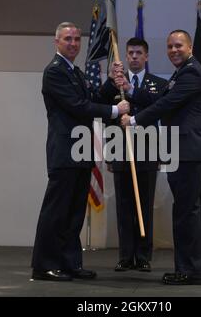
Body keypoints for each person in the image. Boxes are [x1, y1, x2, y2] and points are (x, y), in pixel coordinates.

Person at [31, 22, 129, 282]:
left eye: (76, 39)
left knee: (74, 213)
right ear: (57, 42)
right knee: (56, 211)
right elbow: (77, 106)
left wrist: (111, 81)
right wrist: (114, 111)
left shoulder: (74, 71)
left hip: (81, 150)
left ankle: (69, 262)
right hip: (65, 151)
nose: (73, 43)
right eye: (67, 39)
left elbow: (94, 96)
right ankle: (44, 265)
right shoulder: (54, 72)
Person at [117, 30, 201, 285]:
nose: (173, 50)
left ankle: (191, 271)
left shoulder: (192, 72)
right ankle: (187, 269)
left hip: (188, 151)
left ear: (190, 47)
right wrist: (130, 89)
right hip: (181, 150)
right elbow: (159, 97)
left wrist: (135, 120)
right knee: (184, 211)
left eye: (178, 45)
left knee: (186, 212)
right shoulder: (182, 72)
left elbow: (166, 104)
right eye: (170, 46)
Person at [101, 38, 167, 272]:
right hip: (121, 151)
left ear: (147, 56)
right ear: (125, 56)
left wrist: (131, 90)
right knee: (124, 205)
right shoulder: (114, 84)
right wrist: (109, 153)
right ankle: (126, 256)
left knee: (145, 205)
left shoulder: (157, 83)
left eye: (139, 53)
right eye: (130, 53)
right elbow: (104, 111)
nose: (134, 57)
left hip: (148, 152)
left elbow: (159, 105)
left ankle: (143, 256)